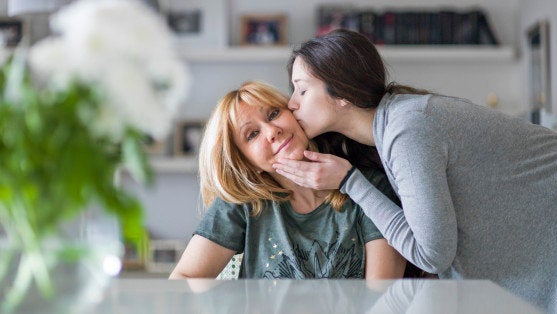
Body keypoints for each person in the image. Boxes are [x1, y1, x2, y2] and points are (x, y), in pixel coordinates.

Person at [273, 29, 557, 313]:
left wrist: (350, 181)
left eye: (301, 90)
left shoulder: (408, 129)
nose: (292, 104)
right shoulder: (395, 125)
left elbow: (431, 254)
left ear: (342, 94)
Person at [169, 81, 409, 279]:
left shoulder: (369, 187)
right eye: (252, 134)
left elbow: (383, 295)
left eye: (274, 114)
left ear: (294, 113)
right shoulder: (244, 204)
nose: (272, 131)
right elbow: (183, 280)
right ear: (246, 162)